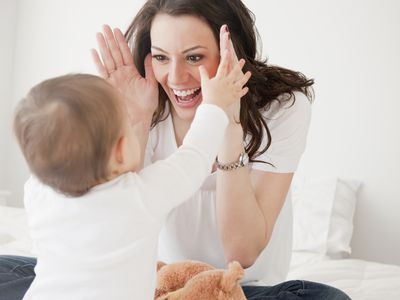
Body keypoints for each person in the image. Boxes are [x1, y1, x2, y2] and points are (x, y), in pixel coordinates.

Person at [0, 0, 351, 299]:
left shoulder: (283, 107)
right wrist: (137, 118)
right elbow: (122, 203)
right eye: (161, 57)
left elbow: (242, 253)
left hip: (239, 286)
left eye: (194, 57)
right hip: (154, 282)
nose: (176, 78)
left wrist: (229, 125)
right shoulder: (139, 100)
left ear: (232, 53)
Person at [10, 47, 250, 300]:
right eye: (126, 121)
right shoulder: (140, 197)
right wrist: (215, 104)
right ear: (122, 150)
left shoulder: (36, 192)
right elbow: (194, 157)